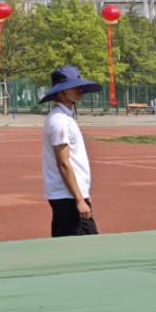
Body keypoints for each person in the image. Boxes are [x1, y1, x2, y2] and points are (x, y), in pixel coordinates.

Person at [39, 66, 102, 238]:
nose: (79, 89)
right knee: (84, 246)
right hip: (67, 198)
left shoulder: (66, 117)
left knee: (70, 246)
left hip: (70, 196)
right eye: (74, 86)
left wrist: (83, 194)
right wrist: (79, 199)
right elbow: (63, 163)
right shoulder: (59, 121)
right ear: (61, 91)